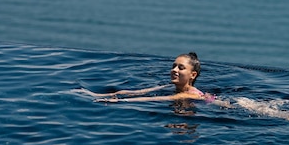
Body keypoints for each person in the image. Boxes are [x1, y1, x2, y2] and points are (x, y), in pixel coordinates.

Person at [79, 52, 216, 103]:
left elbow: (156, 98)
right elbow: (139, 92)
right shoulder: (170, 86)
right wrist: (93, 94)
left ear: (192, 75)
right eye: (174, 66)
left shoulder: (191, 95)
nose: (174, 70)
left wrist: (122, 102)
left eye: (181, 68)